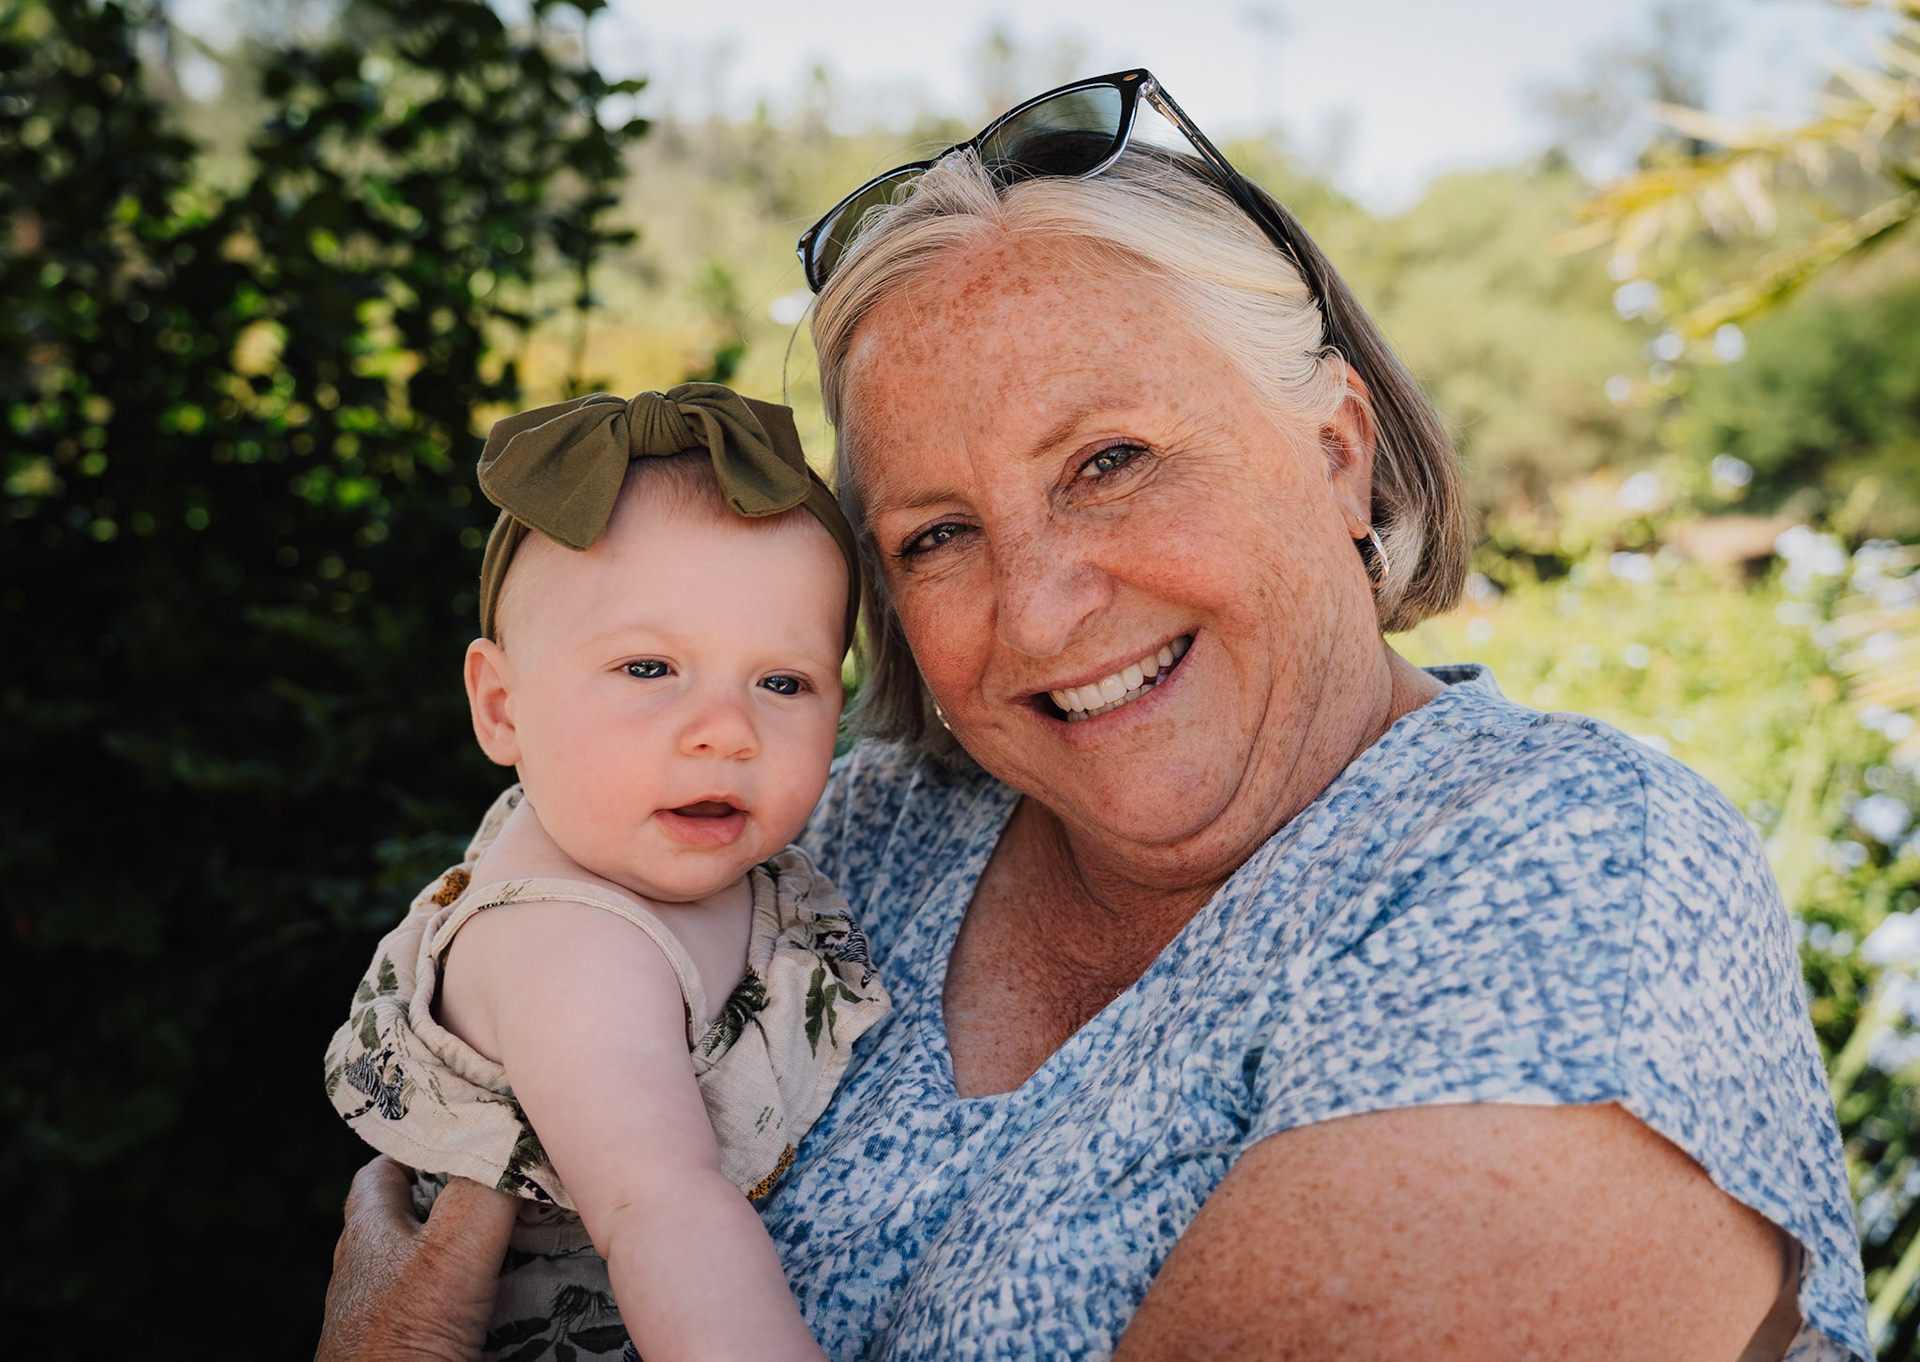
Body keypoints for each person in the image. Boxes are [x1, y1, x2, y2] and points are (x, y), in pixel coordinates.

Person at [318, 69, 1870, 1362]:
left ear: (1336, 454)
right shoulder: (828, 834)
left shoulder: (1561, 868)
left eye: (1111, 462)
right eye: (938, 534)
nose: (1044, 611)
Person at [322, 383, 888, 1361]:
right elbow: (659, 1207)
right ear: (503, 708)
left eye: (783, 681)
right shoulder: (570, 949)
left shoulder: (619, 834)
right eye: (649, 669)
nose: (726, 731)